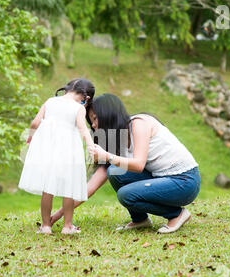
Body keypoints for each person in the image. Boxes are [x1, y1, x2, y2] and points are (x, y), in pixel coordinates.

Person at [50, 93, 200, 234]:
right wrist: (58, 215)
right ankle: (140, 220)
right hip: (163, 179)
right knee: (114, 171)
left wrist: (107, 156)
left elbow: (139, 164)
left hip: (184, 181)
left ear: (109, 115)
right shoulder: (118, 139)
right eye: (91, 122)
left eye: (95, 119)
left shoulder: (138, 124)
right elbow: (91, 187)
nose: (94, 126)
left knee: (126, 194)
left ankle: (177, 214)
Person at [18, 79, 95, 235]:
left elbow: (35, 123)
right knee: (69, 189)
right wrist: (90, 145)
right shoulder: (78, 108)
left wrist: (30, 137)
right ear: (86, 98)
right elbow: (83, 129)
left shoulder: (50, 102)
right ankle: (67, 227)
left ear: (67, 89)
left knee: (48, 188)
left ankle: (46, 226)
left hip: (48, 150)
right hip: (69, 152)